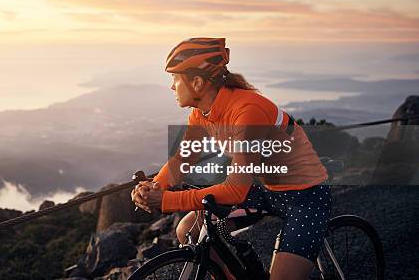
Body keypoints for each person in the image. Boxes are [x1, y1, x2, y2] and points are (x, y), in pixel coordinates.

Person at [131, 37, 331, 280]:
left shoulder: (248, 111)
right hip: (264, 190)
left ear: (197, 82)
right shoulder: (201, 113)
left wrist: (165, 200)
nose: (172, 87)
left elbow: (235, 190)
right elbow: (183, 159)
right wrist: (155, 186)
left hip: (305, 196)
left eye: (175, 78)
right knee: (189, 231)